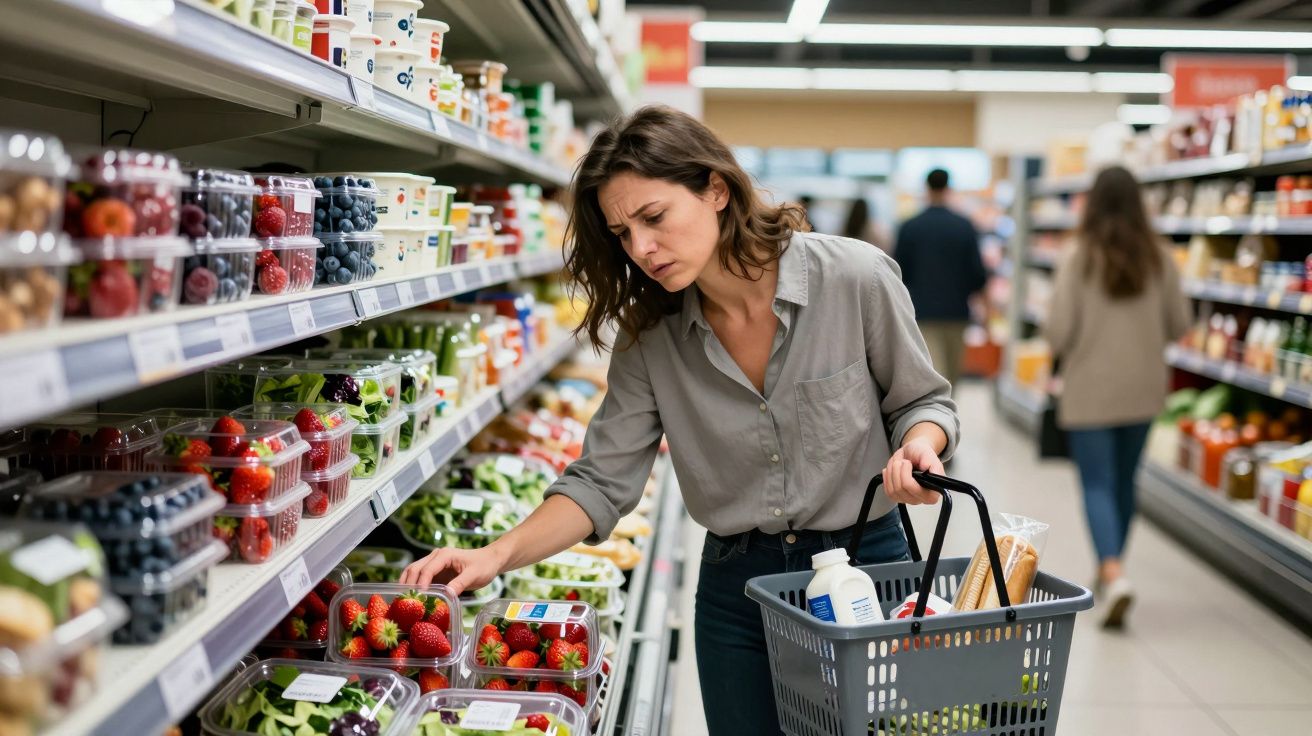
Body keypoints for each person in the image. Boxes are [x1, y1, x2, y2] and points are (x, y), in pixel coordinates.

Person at [400, 105, 960, 735]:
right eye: (621, 233)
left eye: (654, 217)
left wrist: (918, 445)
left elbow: (924, 401)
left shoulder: (853, 278)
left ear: (715, 189)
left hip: (865, 565)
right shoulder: (652, 337)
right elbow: (601, 482)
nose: (640, 248)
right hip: (739, 592)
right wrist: (495, 554)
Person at [1045, 166, 1190, 629]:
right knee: (1125, 482)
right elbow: (1180, 324)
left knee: (1096, 483)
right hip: (1143, 388)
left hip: (1090, 388)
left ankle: (1113, 570)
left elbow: (1058, 330)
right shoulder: (1159, 257)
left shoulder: (1079, 256)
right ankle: (1113, 571)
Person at [893, 169, 988, 390]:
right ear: (948, 188)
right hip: (957, 313)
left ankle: (936, 421)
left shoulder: (910, 227)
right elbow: (977, 274)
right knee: (952, 377)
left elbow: (897, 274)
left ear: (927, 189)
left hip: (921, 313)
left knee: (932, 374)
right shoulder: (964, 226)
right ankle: (945, 420)